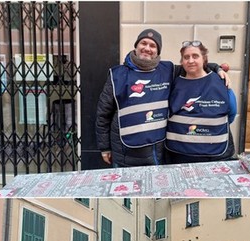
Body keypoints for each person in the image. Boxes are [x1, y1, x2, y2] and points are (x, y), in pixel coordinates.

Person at [96, 29, 229, 167]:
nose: (147, 48)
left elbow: (193, 66)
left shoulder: (167, 70)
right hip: (124, 151)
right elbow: (103, 114)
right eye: (143, 43)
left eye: (153, 46)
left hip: (157, 151)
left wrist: (217, 69)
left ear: (158, 51)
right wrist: (104, 147)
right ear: (136, 46)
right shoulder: (117, 75)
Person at [166, 40, 236, 163]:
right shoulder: (173, 81)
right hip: (179, 154)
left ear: (204, 59)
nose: (190, 60)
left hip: (215, 154)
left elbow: (232, 112)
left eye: (195, 56)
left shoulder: (220, 80)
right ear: (182, 61)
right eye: (186, 57)